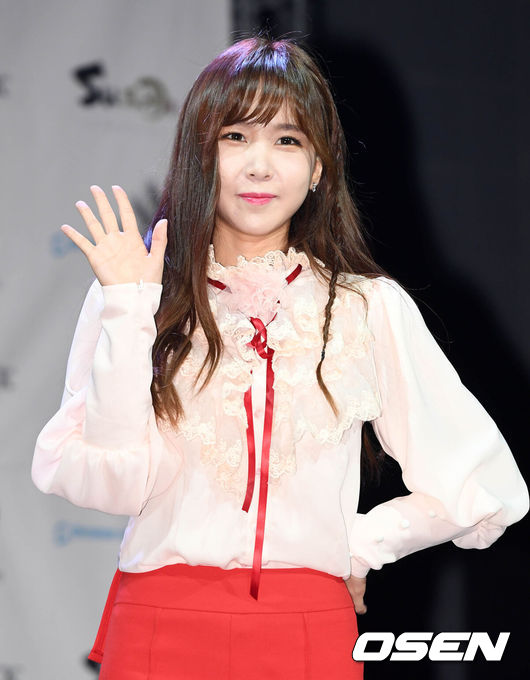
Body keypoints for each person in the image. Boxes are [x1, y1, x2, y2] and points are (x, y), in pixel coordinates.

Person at [31, 35, 529, 680]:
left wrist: (357, 545)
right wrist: (129, 308)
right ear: (199, 154)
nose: (259, 166)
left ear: (319, 168)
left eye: (288, 140)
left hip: (307, 629)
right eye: (236, 136)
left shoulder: (365, 307)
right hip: (159, 621)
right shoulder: (136, 297)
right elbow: (111, 483)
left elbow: (482, 485)